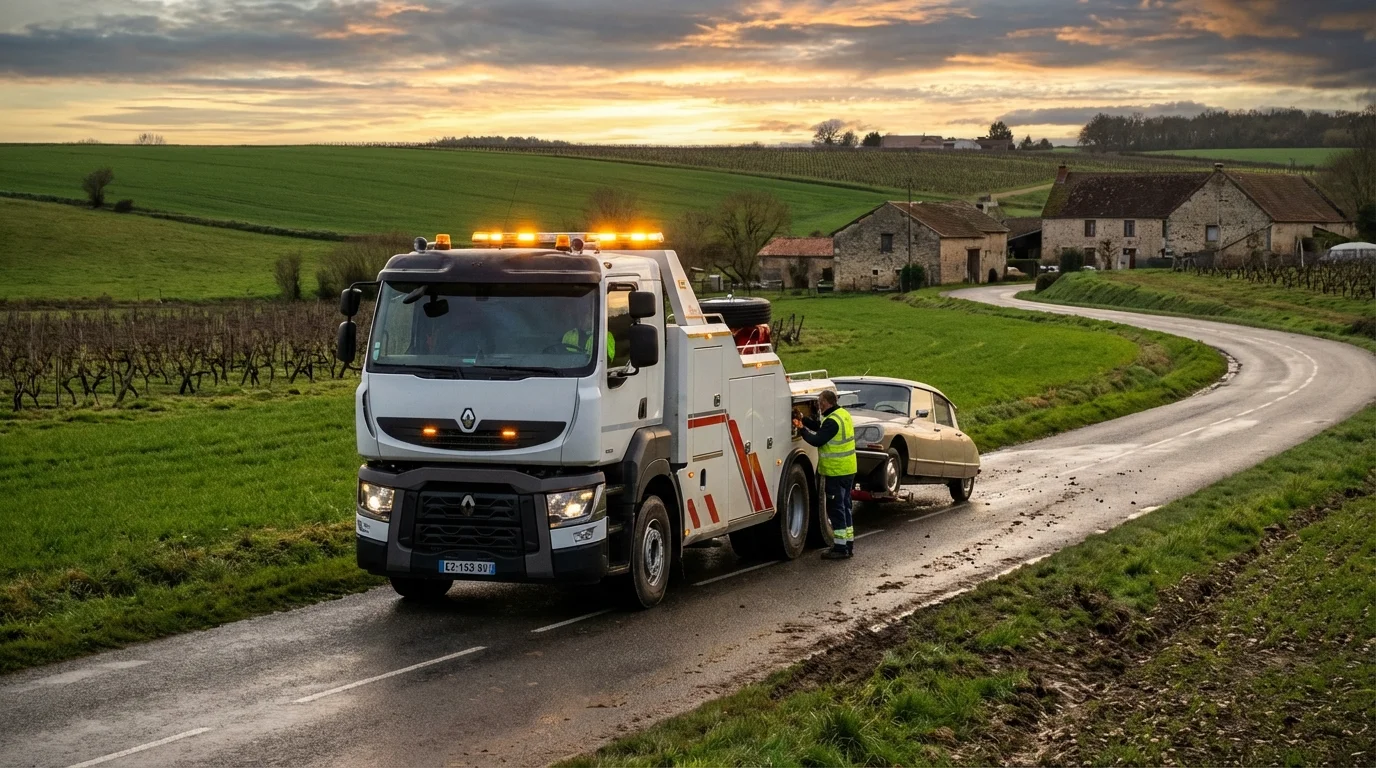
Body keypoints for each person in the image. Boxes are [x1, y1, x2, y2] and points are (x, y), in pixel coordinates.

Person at [792, 389, 857, 559]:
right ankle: (848, 544)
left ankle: (840, 548)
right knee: (845, 506)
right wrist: (804, 420)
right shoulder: (841, 415)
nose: (818, 406)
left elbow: (817, 440)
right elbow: (821, 427)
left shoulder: (832, 421)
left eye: (820, 403)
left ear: (826, 403)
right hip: (848, 469)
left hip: (836, 471)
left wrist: (801, 430)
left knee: (836, 509)